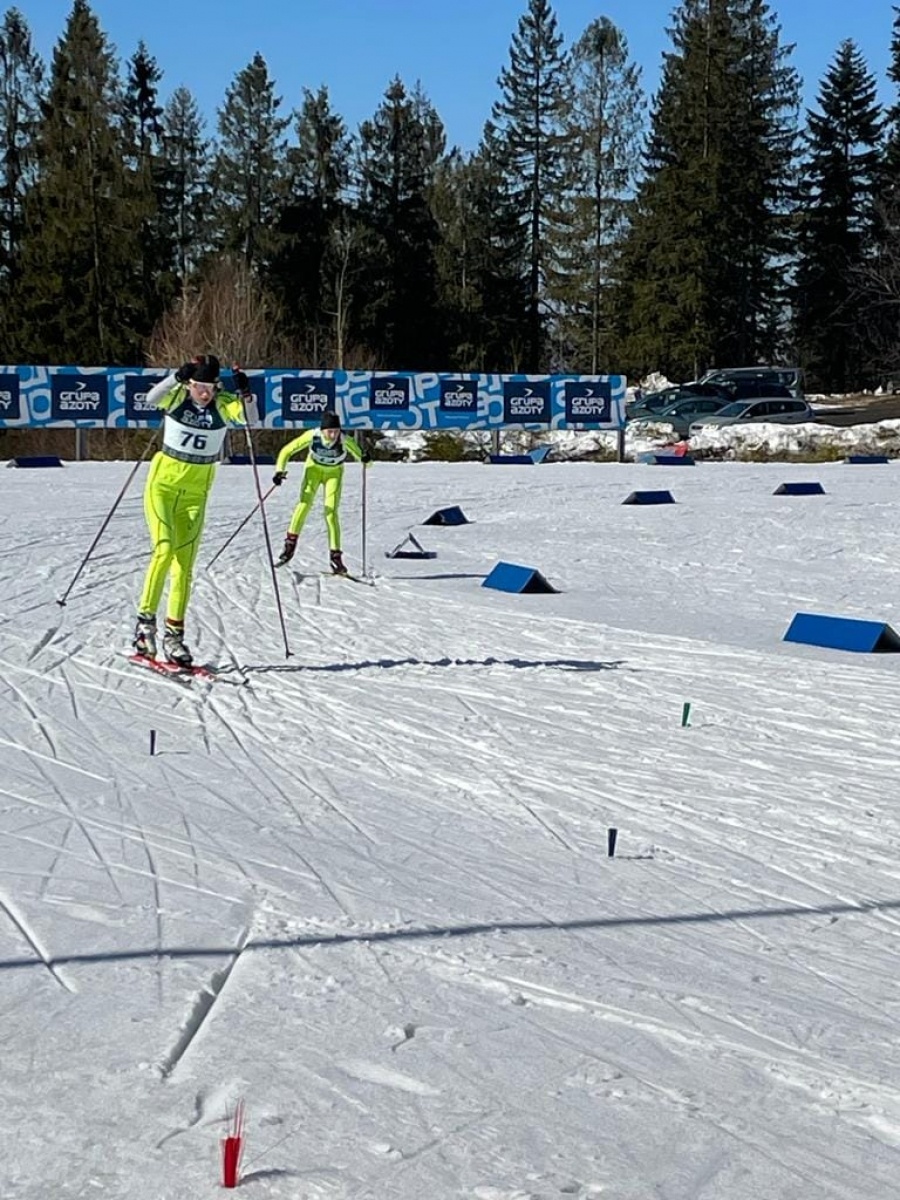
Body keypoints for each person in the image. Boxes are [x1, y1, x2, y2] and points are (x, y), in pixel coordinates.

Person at [133, 355, 258, 666]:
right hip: (162, 488)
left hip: (195, 496)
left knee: (184, 567)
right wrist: (175, 378)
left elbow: (250, 418)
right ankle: (144, 627)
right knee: (163, 550)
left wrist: (246, 392)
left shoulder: (223, 403)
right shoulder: (177, 395)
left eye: (210, 387)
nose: (205, 393)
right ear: (191, 384)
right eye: (199, 386)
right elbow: (151, 399)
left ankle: (174, 636)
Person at [272, 408, 368, 573]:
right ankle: (289, 545)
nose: (333, 435)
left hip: (334, 474)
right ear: (323, 430)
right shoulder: (313, 435)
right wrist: (279, 471)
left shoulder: (345, 439)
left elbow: (364, 459)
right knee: (304, 505)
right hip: (313, 471)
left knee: (330, 513)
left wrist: (366, 459)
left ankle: (336, 557)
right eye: (329, 431)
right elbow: (287, 450)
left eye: (336, 431)